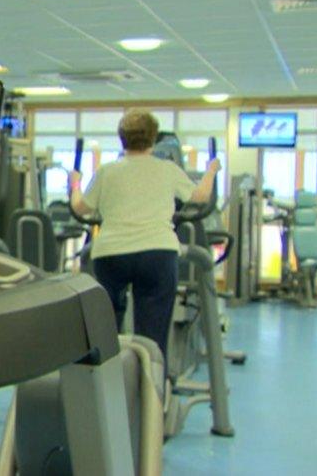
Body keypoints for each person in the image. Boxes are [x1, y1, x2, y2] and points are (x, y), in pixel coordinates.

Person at [69, 109, 219, 363]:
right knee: (152, 338)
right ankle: (152, 393)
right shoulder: (167, 169)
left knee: (106, 331)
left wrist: (74, 183)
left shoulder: (107, 171)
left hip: (111, 255)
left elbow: (80, 207)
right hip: (157, 254)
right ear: (153, 138)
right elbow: (200, 197)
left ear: (121, 138)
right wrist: (212, 170)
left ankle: (109, 387)